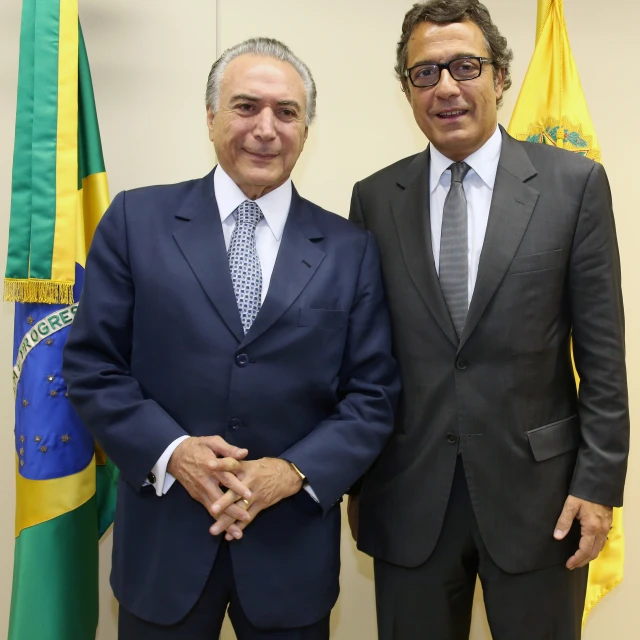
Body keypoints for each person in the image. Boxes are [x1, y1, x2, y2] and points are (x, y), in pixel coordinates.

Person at [63, 37, 398, 640]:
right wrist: (174, 454)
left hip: (289, 556)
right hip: (162, 553)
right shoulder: (135, 222)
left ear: (306, 128)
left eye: (287, 112)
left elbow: (372, 396)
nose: (266, 128)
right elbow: (92, 366)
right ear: (211, 118)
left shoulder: (350, 250)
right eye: (246, 107)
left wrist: (293, 470)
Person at [347, 1, 629, 638]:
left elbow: (603, 357)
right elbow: (361, 359)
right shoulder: (373, 199)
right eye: (425, 73)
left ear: (500, 77)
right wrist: (359, 485)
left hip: (542, 502)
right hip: (408, 497)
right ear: (408, 91)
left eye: (465, 66)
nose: (445, 86)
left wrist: (599, 484)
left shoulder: (574, 185)